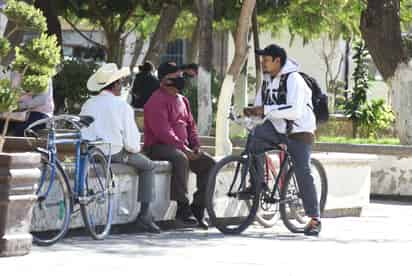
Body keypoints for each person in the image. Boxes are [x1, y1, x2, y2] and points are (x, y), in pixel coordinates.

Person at [244, 44, 321, 236]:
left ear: (278, 61)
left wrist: (266, 111)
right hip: (277, 128)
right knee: (254, 140)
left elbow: (295, 111)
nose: (262, 63)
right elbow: (260, 108)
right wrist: (249, 117)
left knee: (303, 170)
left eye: (266, 60)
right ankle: (258, 184)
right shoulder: (267, 81)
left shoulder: (294, 79)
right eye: (262, 60)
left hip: (299, 130)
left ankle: (315, 218)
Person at [80, 63, 161, 234]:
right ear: (115, 85)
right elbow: (131, 143)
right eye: (121, 83)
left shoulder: (88, 103)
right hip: (114, 153)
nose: (122, 86)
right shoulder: (122, 106)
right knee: (149, 166)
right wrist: (135, 149)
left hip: (90, 152)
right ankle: (145, 216)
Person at [143, 62, 215, 229]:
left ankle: (198, 208)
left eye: (181, 76)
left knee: (210, 163)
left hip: (183, 147)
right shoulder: (156, 101)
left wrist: (195, 145)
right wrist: (184, 148)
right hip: (158, 147)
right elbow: (164, 132)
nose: (181, 80)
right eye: (176, 77)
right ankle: (183, 208)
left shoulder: (183, 100)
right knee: (180, 158)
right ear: (165, 81)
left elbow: (191, 126)